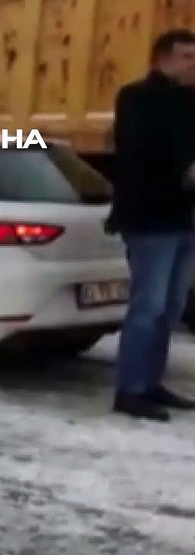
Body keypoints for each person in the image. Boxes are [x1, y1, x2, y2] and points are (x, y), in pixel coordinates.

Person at [106, 29, 195, 421]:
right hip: (150, 219)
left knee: (172, 307)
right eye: (188, 57)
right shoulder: (137, 97)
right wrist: (184, 172)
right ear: (163, 59)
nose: (194, 64)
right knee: (149, 304)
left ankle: (151, 381)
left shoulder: (190, 101)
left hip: (185, 219)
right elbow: (136, 153)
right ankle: (131, 389)